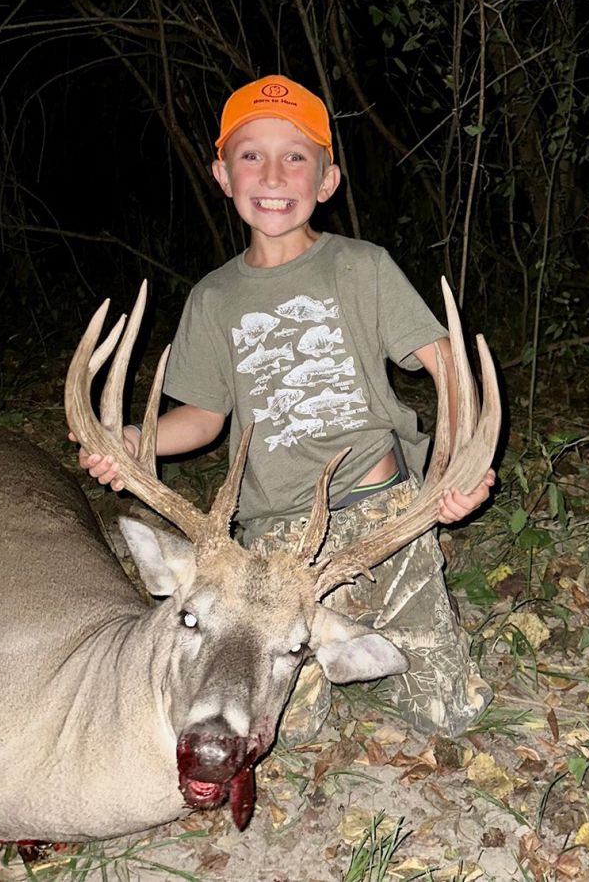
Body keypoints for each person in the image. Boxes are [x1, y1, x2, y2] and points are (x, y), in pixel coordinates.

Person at [76, 75, 496, 741]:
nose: (274, 174)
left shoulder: (362, 267)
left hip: (381, 511)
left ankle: (392, 620)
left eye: (296, 156)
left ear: (327, 180)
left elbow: (450, 370)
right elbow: (205, 420)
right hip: (271, 547)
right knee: (285, 732)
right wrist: (134, 437)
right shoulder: (214, 300)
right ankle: (331, 642)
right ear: (222, 173)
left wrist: (462, 471)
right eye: (251, 155)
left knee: (450, 716)